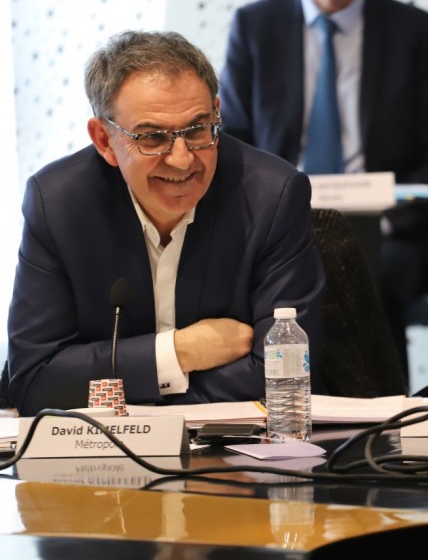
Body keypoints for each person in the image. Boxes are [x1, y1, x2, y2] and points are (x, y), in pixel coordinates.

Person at [6, 30, 326, 416]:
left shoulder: (271, 196)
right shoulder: (59, 204)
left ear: (217, 114)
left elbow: (282, 375)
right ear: (104, 140)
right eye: (153, 138)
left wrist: (130, 396)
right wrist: (177, 353)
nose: (182, 159)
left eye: (197, 130)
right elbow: (35, 380)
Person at [218, 0, 428, 385]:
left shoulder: (414, 30)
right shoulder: (255, 26)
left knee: (368, 274)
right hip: (279, 223)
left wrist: (386, 219)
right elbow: (231, 147)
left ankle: (387, 412)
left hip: (385, 228)